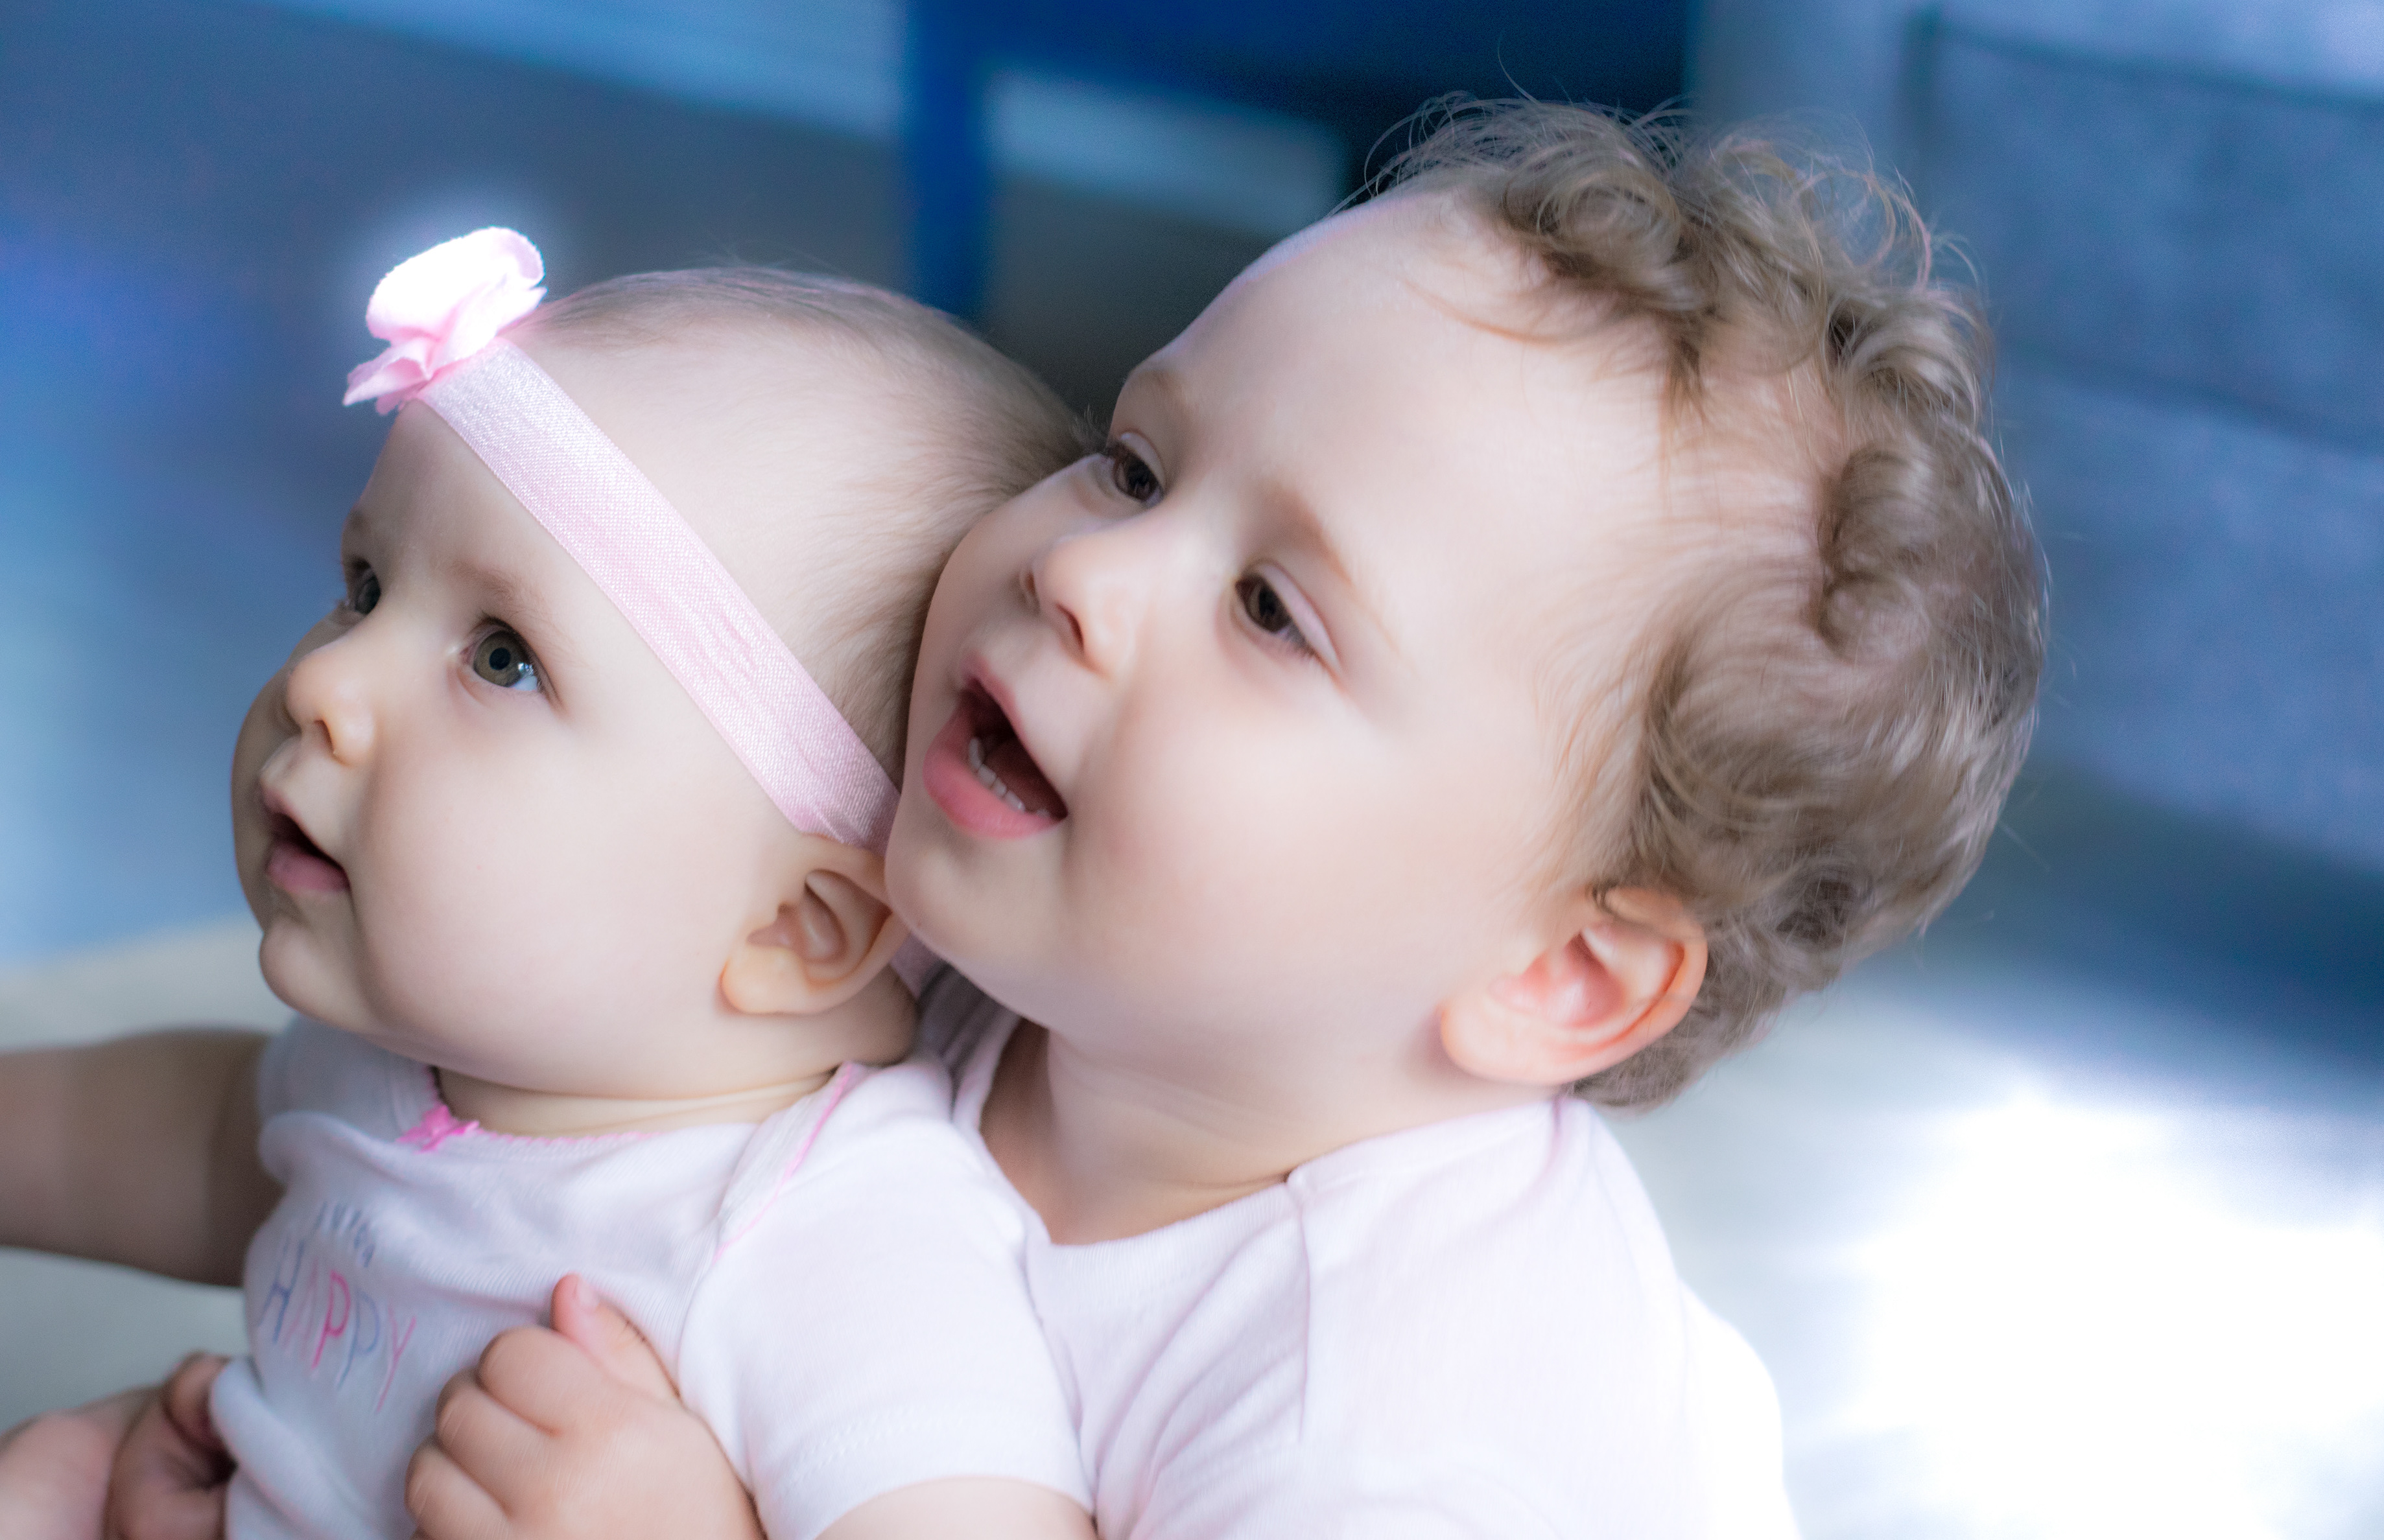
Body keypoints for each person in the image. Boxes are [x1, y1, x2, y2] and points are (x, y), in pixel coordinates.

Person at [407, 100, 2047, 1538]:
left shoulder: (1387, 1441)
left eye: (1271, 610)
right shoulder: (1063, 962)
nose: (1082, 568)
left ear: (1558, 973)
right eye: (1134, 463)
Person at [0, 231, 1101, 1540]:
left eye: (504, 659)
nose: (324, 682)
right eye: (365, 587)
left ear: (796, 927)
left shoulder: (831, 1248)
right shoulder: (416, 1058)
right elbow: (193, 1149)